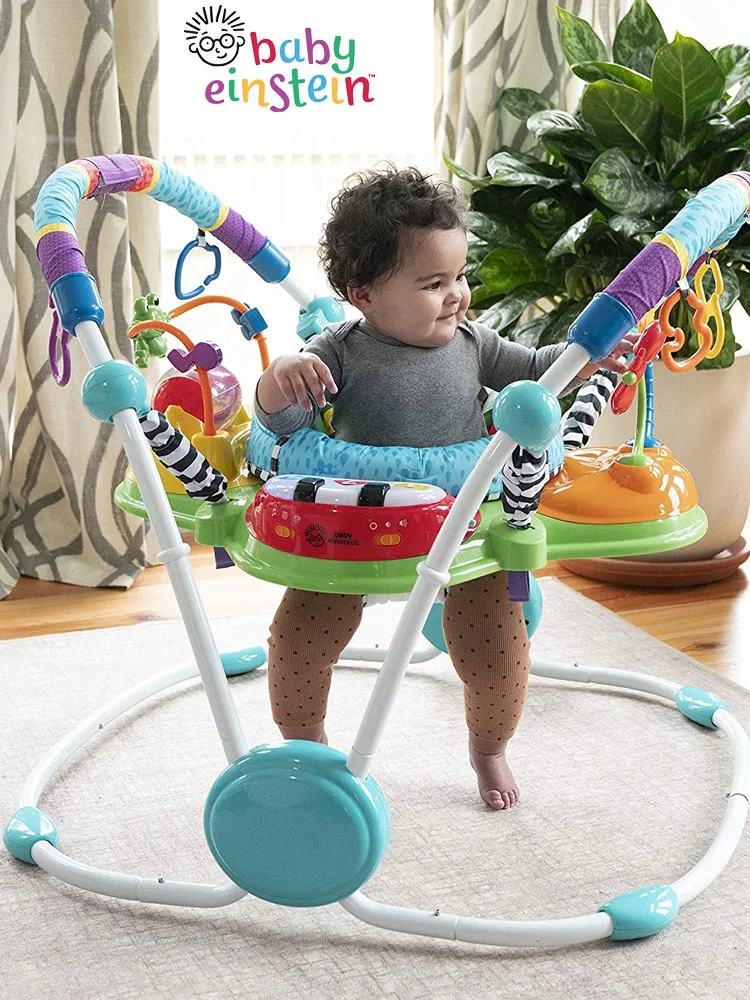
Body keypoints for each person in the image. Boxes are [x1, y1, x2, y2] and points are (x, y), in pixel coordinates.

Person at [254, 165, 634, 810]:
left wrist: (588, 360)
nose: (456, 296)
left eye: (460, 276)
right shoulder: (338, 351)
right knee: (298, 641)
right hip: (356, 525)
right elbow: (282, 430)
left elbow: (541, 376)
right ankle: (309, 744)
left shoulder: (472, 342)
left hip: (463, 522)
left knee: (497, 650)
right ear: (364, 293)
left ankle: (489, 747)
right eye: (434, 284)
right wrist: (277, 379)